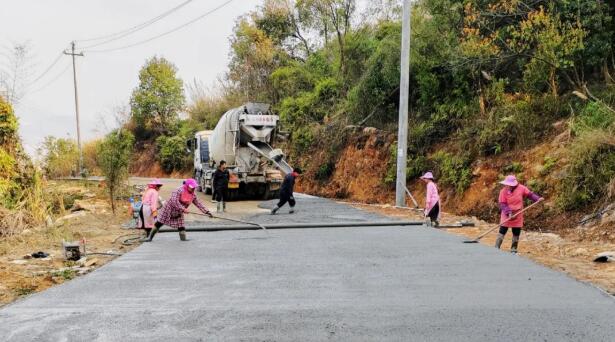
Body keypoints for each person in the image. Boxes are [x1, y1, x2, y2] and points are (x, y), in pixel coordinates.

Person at [142, 179, 212, 242]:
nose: (193, 188)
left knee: (181, 225)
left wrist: (207, 212)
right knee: (159, 222)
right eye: (192, 187)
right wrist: (183, 209)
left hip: (179, 211)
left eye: (194, 187)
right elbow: (174, 201)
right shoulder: (179, 190)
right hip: (169, 208)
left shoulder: (193, 195)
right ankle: (150, 237)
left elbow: (198, 203)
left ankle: (183, 238)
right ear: (187, 186)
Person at [497, 175, 544, 254]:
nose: (507, 186)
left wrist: (537, 198)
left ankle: (513, 249)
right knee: (502, 230)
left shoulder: (521, 188)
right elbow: (503, 204)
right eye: (506, 184)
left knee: (516, 232)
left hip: (518, 213)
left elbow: (530, 195)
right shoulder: (503, 191)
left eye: (509, 185)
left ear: (514, 184)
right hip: (506, 213)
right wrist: (509, 213)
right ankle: (496, 247)